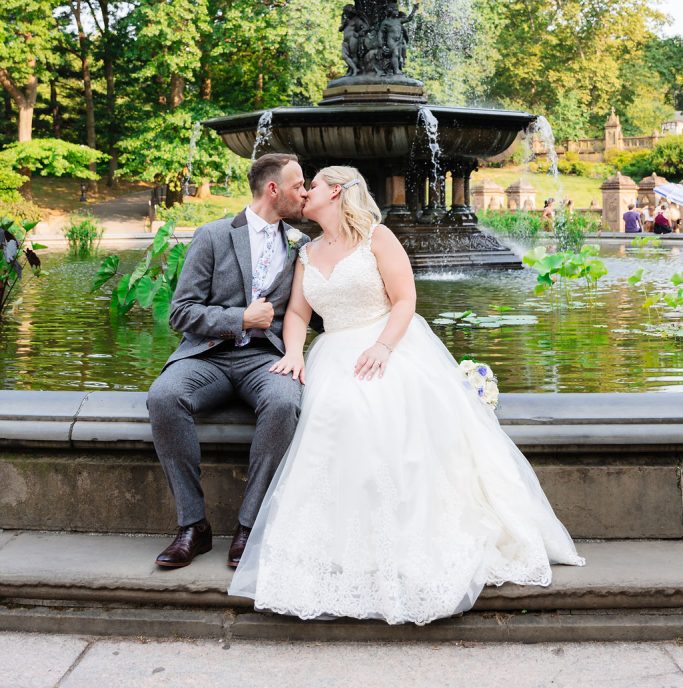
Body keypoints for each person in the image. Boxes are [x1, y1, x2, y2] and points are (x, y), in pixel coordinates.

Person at [231, 166, 585, 625]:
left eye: (312, 185)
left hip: (386, 342)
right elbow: (296, 313)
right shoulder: (305, 252)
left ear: (335, 192)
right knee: (330, 414)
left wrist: (382, 346)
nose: (306, 193)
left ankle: (405, 542)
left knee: (378, 411)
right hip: (332, 351)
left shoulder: (378, 238)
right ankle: (344, 549)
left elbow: (404, 299)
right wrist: (295, 353)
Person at [147, 153, 310, 569]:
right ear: (273, 189)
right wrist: (238, 318)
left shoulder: (300, 244)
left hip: (265, 358)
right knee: (164, 396)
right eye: (298, 185)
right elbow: (181, 312)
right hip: (209, 357)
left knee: (284, 402)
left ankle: (248, 526)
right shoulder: (213, 235)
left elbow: (312, 309)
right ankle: (193, 527)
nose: (305, 193)